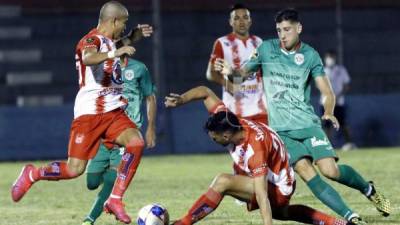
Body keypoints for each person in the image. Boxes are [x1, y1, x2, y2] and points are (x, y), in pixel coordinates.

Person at [214, 8, 390, 224]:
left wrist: (327, 111)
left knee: (330, 170)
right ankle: (350, 217)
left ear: (299, 28)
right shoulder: (266, 49)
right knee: (307, 172)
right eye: (279, 30)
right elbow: (242, 75)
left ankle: (368, 188)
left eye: (287, 29)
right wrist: (230, 70)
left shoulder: (310, 55)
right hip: (282, 132)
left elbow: (327, 92)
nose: (282, 35)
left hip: (308, 124)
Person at [11, 1, 153, 224]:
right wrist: (118, 51)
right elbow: (89, 57)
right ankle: (32, 174)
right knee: (74, 169)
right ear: (113, 20)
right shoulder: (91, 39)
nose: (125, 27)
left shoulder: (108, 41)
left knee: (136, 143)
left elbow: (114, 45)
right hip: (90, 114)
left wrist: (133, 37)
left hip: (113, 111)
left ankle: (115, 199)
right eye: (124, 23)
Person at [164, 86, 350, 225]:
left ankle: (184, 222)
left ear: (226, 136)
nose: (214, 140)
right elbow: (205, 92)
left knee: (223, 182)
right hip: (280, 177)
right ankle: (335, 223)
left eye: (215, 138)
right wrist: (182, 99)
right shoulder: (228, 119)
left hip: (278, 187)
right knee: (283, 213)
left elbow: (261, 195)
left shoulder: (255, 149)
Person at [82, 55, 157, 225]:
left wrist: (151, 127)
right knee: (92, 182)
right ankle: (112, 186)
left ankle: (90, 218)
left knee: (112, 180)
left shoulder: (139, 68)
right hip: (104, 131)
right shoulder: (102, 66)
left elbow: (150, 97)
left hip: (126, 134)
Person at [206, 3, 267, 124]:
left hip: (261, 110)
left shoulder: (258, 42)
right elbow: (210, 74)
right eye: (236, 18)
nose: (241, 22)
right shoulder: (222, 43)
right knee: (239, 143)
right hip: (235, 111)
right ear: (230, 22)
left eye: (245, 17)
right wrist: (227, 84)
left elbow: (262, 72)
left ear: (250, 21)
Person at [320, 50, 355, 151]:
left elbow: (346, 85)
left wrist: (339, 95)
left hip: (339, 102)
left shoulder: (341, 70)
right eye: (328, 57)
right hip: (325, 103)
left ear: (335, 58)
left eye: (331, 57)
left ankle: (350, 144)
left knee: (343, 124)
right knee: (327, 126)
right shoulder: (322, 70)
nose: (329, 59)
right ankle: (327, 146)